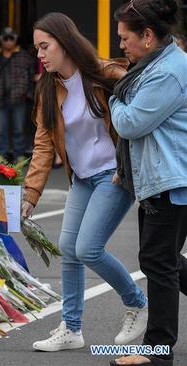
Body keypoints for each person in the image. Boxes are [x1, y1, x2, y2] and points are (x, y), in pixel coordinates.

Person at [22, 12, 147, 352]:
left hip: (115, 175)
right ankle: (72, 329)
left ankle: (136, 302)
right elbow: (44, 143)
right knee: (69, 250)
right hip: (82, 179)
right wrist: (31, 192)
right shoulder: (49, 88)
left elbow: (143, 115)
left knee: (87, 248)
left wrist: (131, 165)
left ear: (65, 42)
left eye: (44, 46)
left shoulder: (106, 74)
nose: (40, 55)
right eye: (37, 49)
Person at [109, 1, 187, 365]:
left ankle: (157, 352)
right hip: (166, 178)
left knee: (158, 263)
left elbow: (130, 123)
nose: (121, 44)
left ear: (148, 36)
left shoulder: (166, 72)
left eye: (125, 38)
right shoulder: (157, 65)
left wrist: (113, 98)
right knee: (164, 260)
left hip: (169, 181)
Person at [0, 27, 36, 163]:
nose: (9, 41)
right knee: (1, 131)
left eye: (11, 38)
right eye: (6, 38)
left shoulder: (24, 56)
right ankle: (1, 157)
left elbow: (31, 78)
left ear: (15, 39)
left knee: (19, 130)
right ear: (1, 39)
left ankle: (19, 155)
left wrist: (28, 95)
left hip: (19, 99)